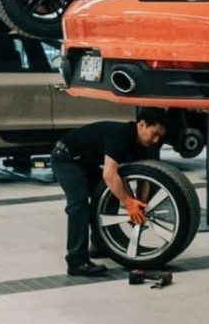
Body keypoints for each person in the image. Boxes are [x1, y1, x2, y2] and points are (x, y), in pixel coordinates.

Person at [50, 107, 169, 277]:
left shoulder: (146, 146)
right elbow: (109, 174)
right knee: (79, 204)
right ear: (142, 125)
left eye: (160, 136)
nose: (156, 140)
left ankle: (100, 245)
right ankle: (77, 262)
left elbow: (145, 178)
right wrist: (128, 202)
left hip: (86, 162)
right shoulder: (121, 135)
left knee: (107, 197)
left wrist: (139, 204)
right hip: (66, 157)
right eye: (154, 133)